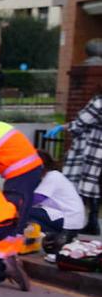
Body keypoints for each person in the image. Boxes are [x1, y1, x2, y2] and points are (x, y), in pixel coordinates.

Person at [61, 91, 102, 234]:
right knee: (93, 187)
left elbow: (81, 121)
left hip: (90, 149)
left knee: (81, 186)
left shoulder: (98, 102)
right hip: (98, 150)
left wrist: (63, 127)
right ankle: (93, 222)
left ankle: (74, 224)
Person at [28, 151, 86, 242]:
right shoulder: (51, 176)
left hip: (68, 219)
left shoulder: (52, 176)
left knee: (24, 211)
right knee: (29, 214)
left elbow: (37, 199)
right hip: (69, 219)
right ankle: (56, 236)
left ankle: (59, 235)